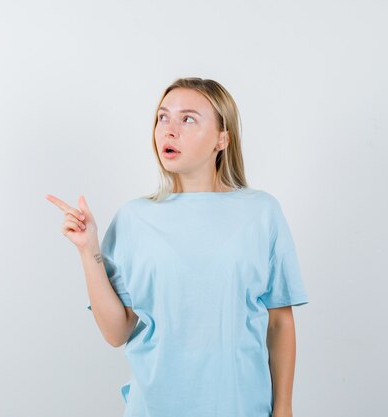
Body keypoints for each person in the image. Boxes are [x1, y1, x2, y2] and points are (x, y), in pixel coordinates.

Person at [46, 77, 309, 417]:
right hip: (155, 407)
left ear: (222, 138)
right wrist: (88, 250)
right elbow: (117, 332)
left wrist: (284, 409)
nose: (169, 130)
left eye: (188, 119)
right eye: (162, 117)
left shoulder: (261, 212)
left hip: (241, 407)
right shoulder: (133, 218)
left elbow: (279, 322)